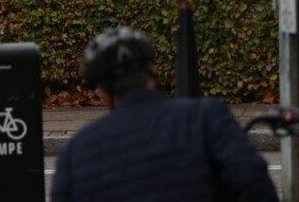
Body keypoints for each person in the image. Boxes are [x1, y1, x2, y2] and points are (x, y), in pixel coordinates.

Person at [51, 26, 277, 202]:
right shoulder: (206, 116)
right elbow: (254, 183)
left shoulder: (76, 152)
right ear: (154, 70)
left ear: (101, 91)